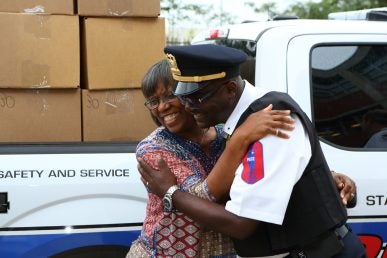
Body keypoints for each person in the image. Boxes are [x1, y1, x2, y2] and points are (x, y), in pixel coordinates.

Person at [138, 44, 365, 258]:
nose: (187, 105)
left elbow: (240, 223)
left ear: (229, 89)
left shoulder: (269, 124)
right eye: (184, 97)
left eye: (195, 97)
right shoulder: (239, 127)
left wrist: (170, 192)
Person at [126, 59, 296, 257]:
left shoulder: (225, 131)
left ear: (191, 94)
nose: (162, 107)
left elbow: (266, 166)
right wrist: (240, 139)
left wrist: (315, 175)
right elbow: (200, 198)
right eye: (154, 101)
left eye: (170, 95)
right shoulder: (153, 148)